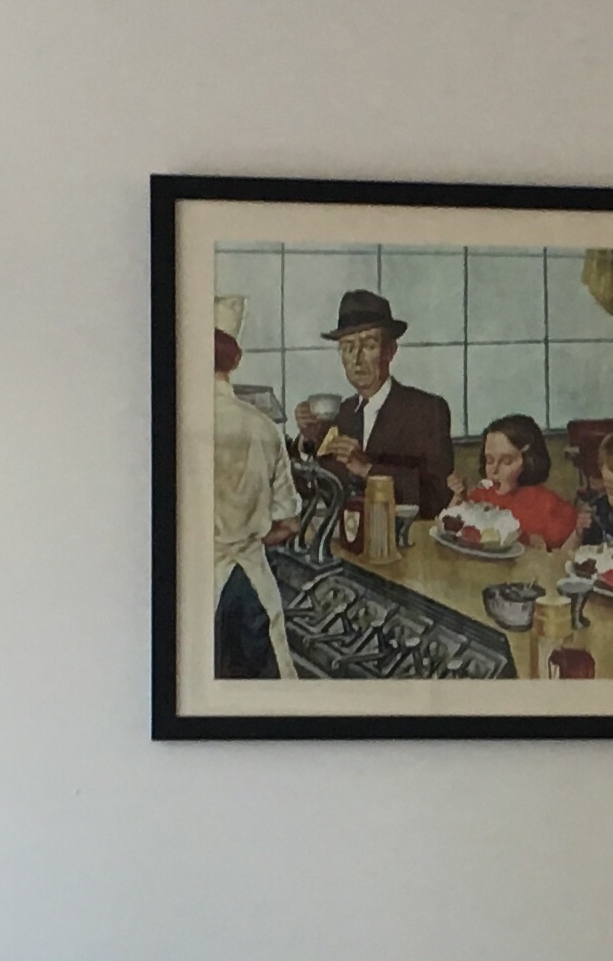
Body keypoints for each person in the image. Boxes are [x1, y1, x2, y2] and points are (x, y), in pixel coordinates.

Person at [197, 302, 298, 680]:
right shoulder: (263, 428)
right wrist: (252, 535)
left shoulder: (177, 424)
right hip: (248, 587)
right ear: (235, 359)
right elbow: (288, 523)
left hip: (193, 586)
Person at [300, 289, 454, 519]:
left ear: (390, 351)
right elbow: (313, 490)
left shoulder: (425, 410)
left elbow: (438, 497)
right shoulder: (340, 414)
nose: (357, 359)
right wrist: (307, 443)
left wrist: (367, 469)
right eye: (348, 348)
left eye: (368, 345)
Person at [450, 414, 577, 552]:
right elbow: (452, 532)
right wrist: (458, 498)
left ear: (529, 461)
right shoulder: (481, 497)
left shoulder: (550, 507)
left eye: (506, 461)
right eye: (489, 460)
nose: (494, 470)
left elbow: (565, 559)